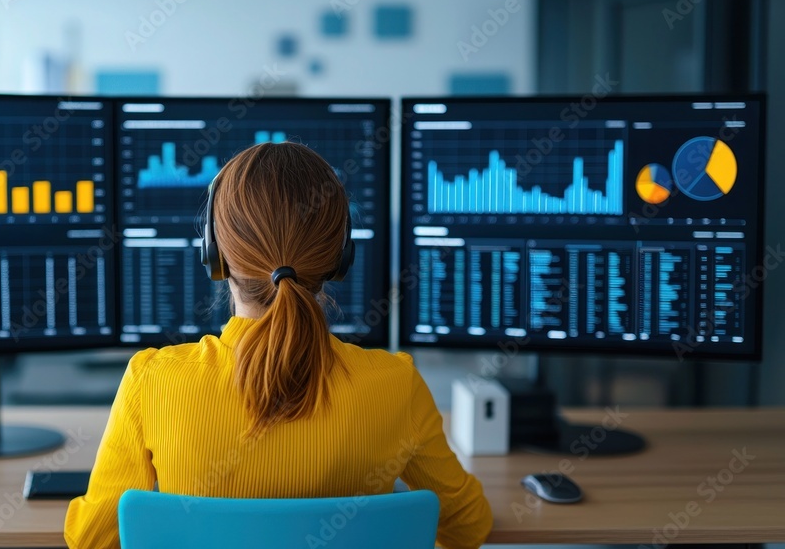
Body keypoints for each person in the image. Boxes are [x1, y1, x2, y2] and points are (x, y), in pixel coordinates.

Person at [64, 142, 493, 548]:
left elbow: (93, 540)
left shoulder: (153, 381)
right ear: (340, 257)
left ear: (214, 252)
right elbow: (468, 525)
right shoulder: (397, 385)